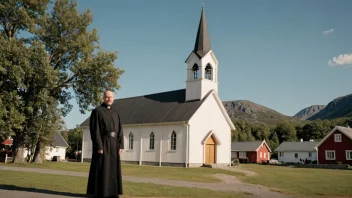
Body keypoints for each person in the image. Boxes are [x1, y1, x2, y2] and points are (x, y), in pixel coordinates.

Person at [86, 90, 124, 198]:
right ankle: (101, 193)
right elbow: (95, 130)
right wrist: (99, 146)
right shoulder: (97, 111)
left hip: (114, 143)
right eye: (107, 97)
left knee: (113, 169)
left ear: (113, 98)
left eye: (111, 97)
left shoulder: (116, 113)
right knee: (103, 168)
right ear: (103, 98)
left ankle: (113, 193)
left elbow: (120, 129)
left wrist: (121, 144)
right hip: (104, 142)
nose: (109, 99)